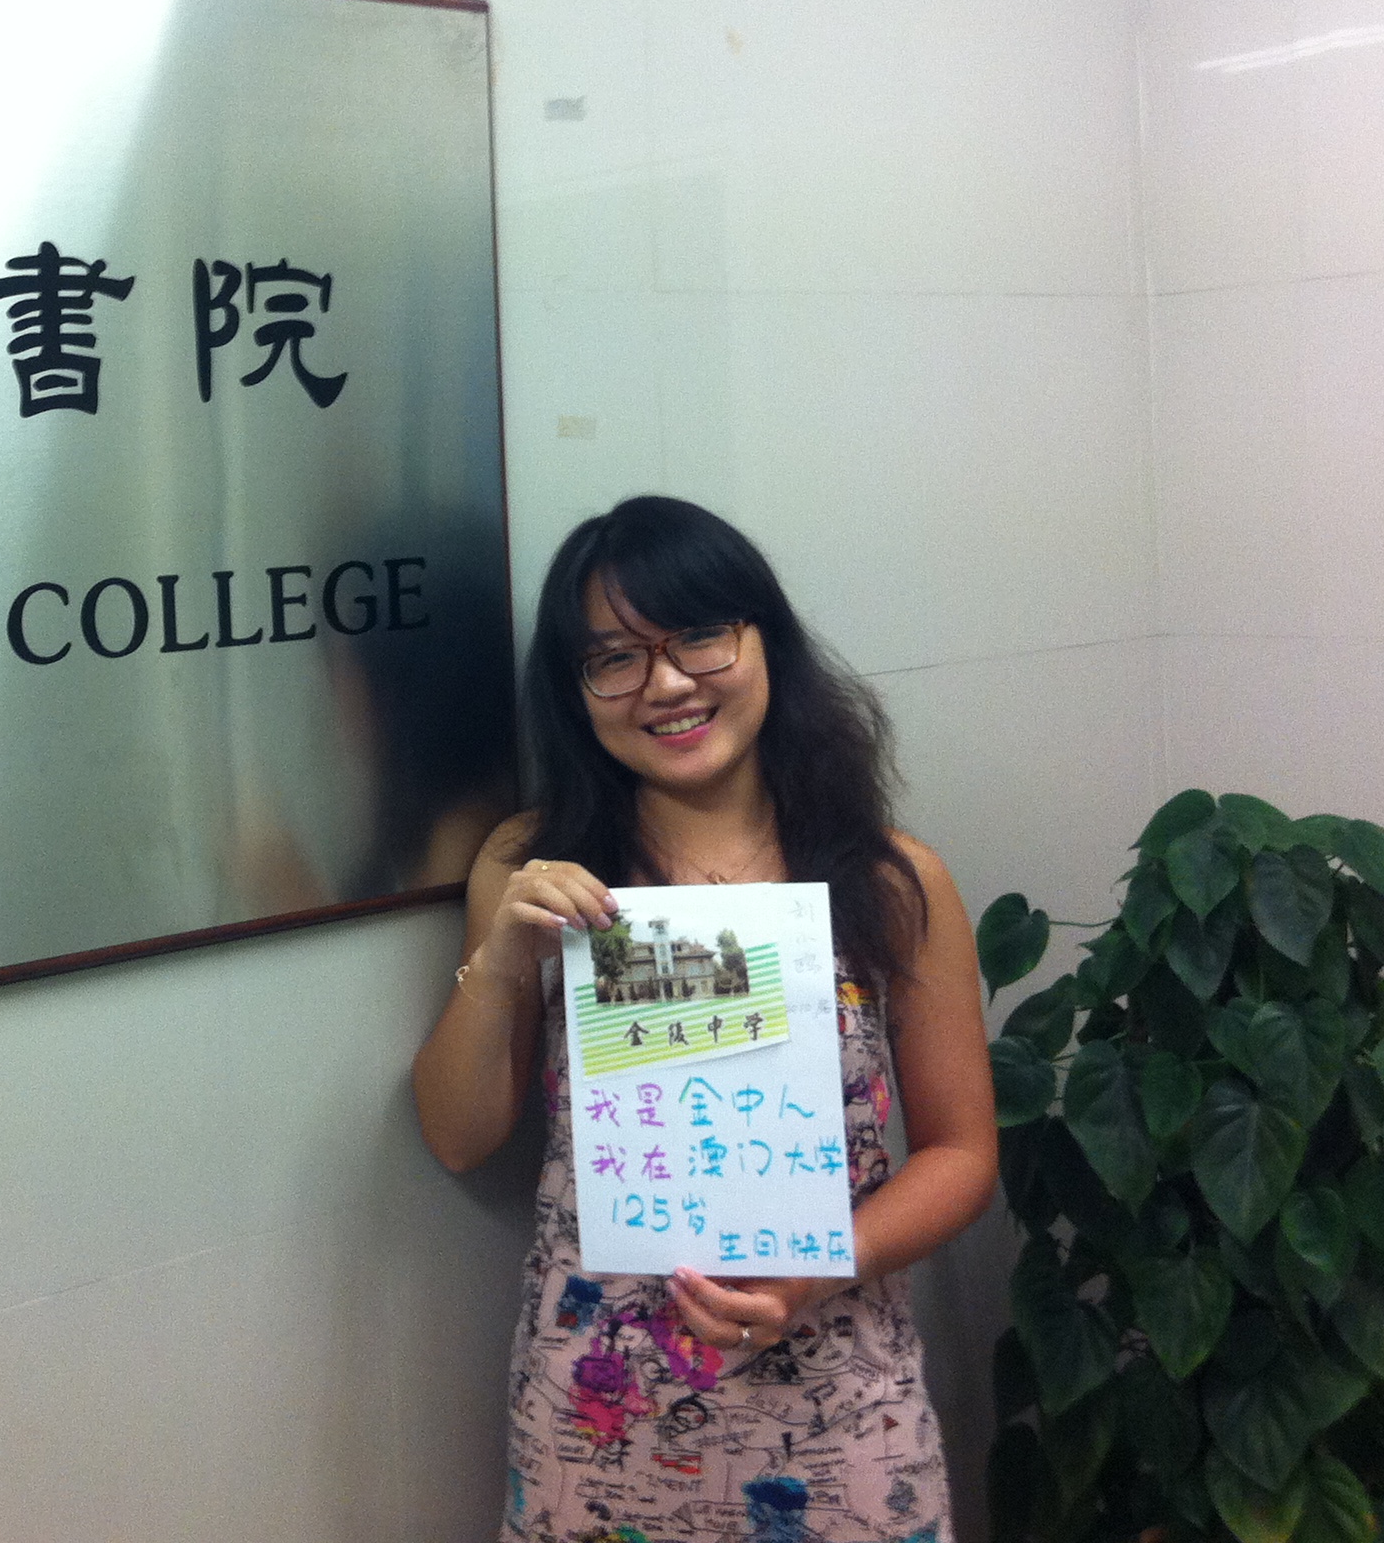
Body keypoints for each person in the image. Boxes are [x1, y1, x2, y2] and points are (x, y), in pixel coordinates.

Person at [412, 496, 997, 1542]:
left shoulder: (890, 880)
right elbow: (458, 1136)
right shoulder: (532, 866)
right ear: (576, 691)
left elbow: (961, 1153)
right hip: (599, 1409)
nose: (668, 683)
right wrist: (498, 964)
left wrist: (819, 1267)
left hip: (838, 1397)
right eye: (615, 658)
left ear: (765, 641)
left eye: (699, 636)